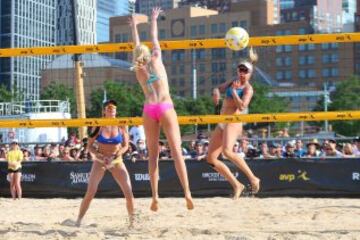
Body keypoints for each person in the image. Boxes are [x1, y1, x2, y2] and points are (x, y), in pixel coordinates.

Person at [129, 8, 194, 211]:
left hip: (149, 109)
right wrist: (154, 19)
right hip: (165, 106)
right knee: (176, 153)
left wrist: (134, 27)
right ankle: (187, 193)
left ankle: (155, 197)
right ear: (149, 54)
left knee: (153, 155)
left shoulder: (139, 70)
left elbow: (137, 46)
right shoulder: (156, 58)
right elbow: (154, 37)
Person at [208, 48, 260, 199]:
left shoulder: (248, 89)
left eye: (245, 71)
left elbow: (242, 106)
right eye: (240, 70)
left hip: (234, 121)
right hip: (222, 120)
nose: (242, 73)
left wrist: (236, 92)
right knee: (211, 158)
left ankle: (253, 178)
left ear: (250, 74)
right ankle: (237, 185)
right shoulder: (233, 81)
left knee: (227, 152)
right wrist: (216, 92)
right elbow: (218, 88)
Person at [77, 100, 135, 226]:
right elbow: (89, 145)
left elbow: (126, 146)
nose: (111, 110)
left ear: (116, 111)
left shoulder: (122, 124)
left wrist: (117, 154)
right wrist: (98, 155)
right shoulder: (98, 125)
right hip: (100, 161)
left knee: (129, 193)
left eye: (113, 108)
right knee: (90, 192)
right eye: (108, 108)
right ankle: (79, 220)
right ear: (104, 111)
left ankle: (132, 222)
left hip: (116, 160)